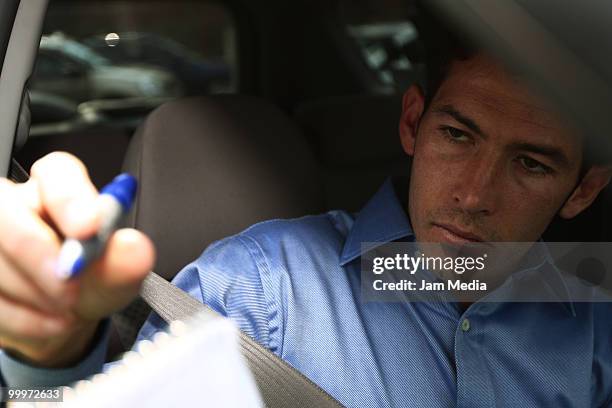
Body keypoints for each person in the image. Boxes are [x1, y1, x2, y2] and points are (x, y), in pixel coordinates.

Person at [1, 47, 611, 406]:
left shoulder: (594, 319)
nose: (475, 194)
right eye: (457, 135)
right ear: (412, 125)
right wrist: (49, 361)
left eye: (530, 164)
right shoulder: (258, 289)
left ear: (583, 190)